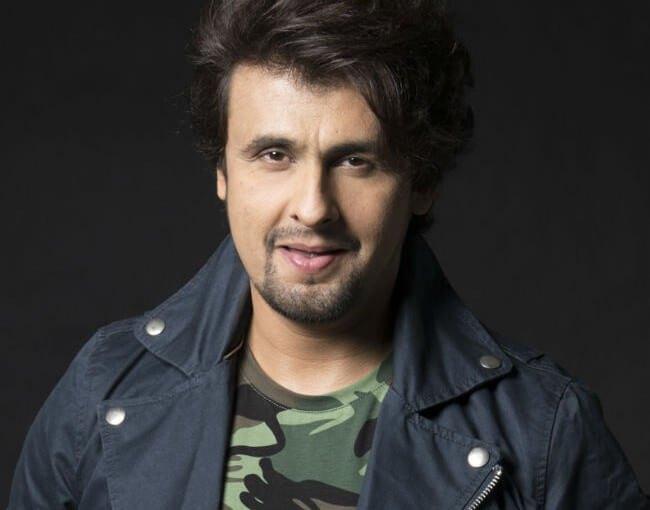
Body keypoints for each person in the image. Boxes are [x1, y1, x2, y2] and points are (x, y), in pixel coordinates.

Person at [9, 0, 649, 508]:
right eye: (274, 155)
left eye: (355, 160)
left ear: (421, 181)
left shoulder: (545, 431)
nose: (313, 207)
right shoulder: (103, 391)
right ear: (222, 172)